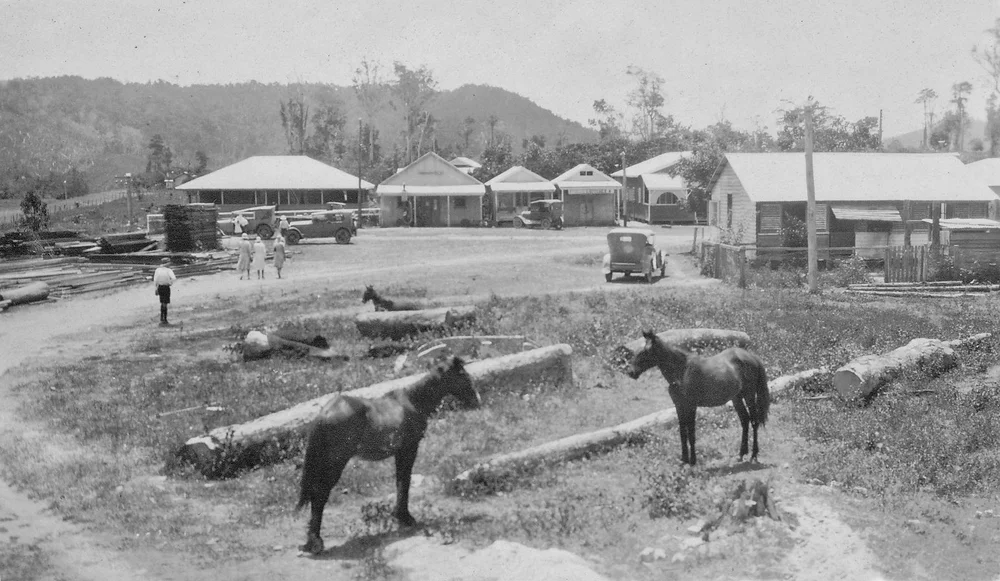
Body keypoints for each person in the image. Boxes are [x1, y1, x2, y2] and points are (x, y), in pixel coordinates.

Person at [153, 257, 176, 326]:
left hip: (160, 287)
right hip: (166, 287)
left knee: (162, 302)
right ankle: (165, 319)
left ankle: (161, 318)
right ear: (167, 263)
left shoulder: (157, 270)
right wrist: (170, 283)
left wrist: (156, 289)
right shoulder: (168, 270)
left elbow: (155, 280)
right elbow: (174, 278)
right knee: (165, 303)